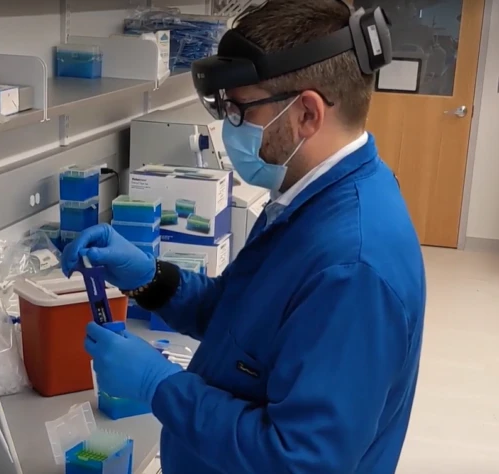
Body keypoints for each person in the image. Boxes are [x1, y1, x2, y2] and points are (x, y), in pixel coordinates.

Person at [62, 1, 426, 472]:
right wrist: (147, 278)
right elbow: (239, 318)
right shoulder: (307, 199)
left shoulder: (352, 266)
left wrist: (159, 385)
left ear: (307, 114)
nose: (227, 125)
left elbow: (301, 461)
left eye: (239, 109)